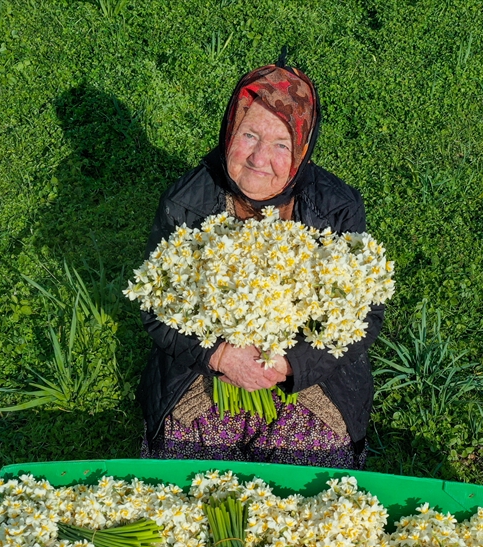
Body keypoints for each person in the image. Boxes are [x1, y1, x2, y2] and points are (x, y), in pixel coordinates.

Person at [137, 63, 384, 469]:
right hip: (209, 370)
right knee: (195, 480)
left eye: (281, 145)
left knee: (307, 486)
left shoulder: (336, 206)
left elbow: (365, 312)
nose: (259, 158)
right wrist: (220, 356)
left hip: (302, 374)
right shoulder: (187, 201)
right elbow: (155, 306)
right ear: (229, 133)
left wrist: (290, 364)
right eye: (248, 135)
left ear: (302, 150)